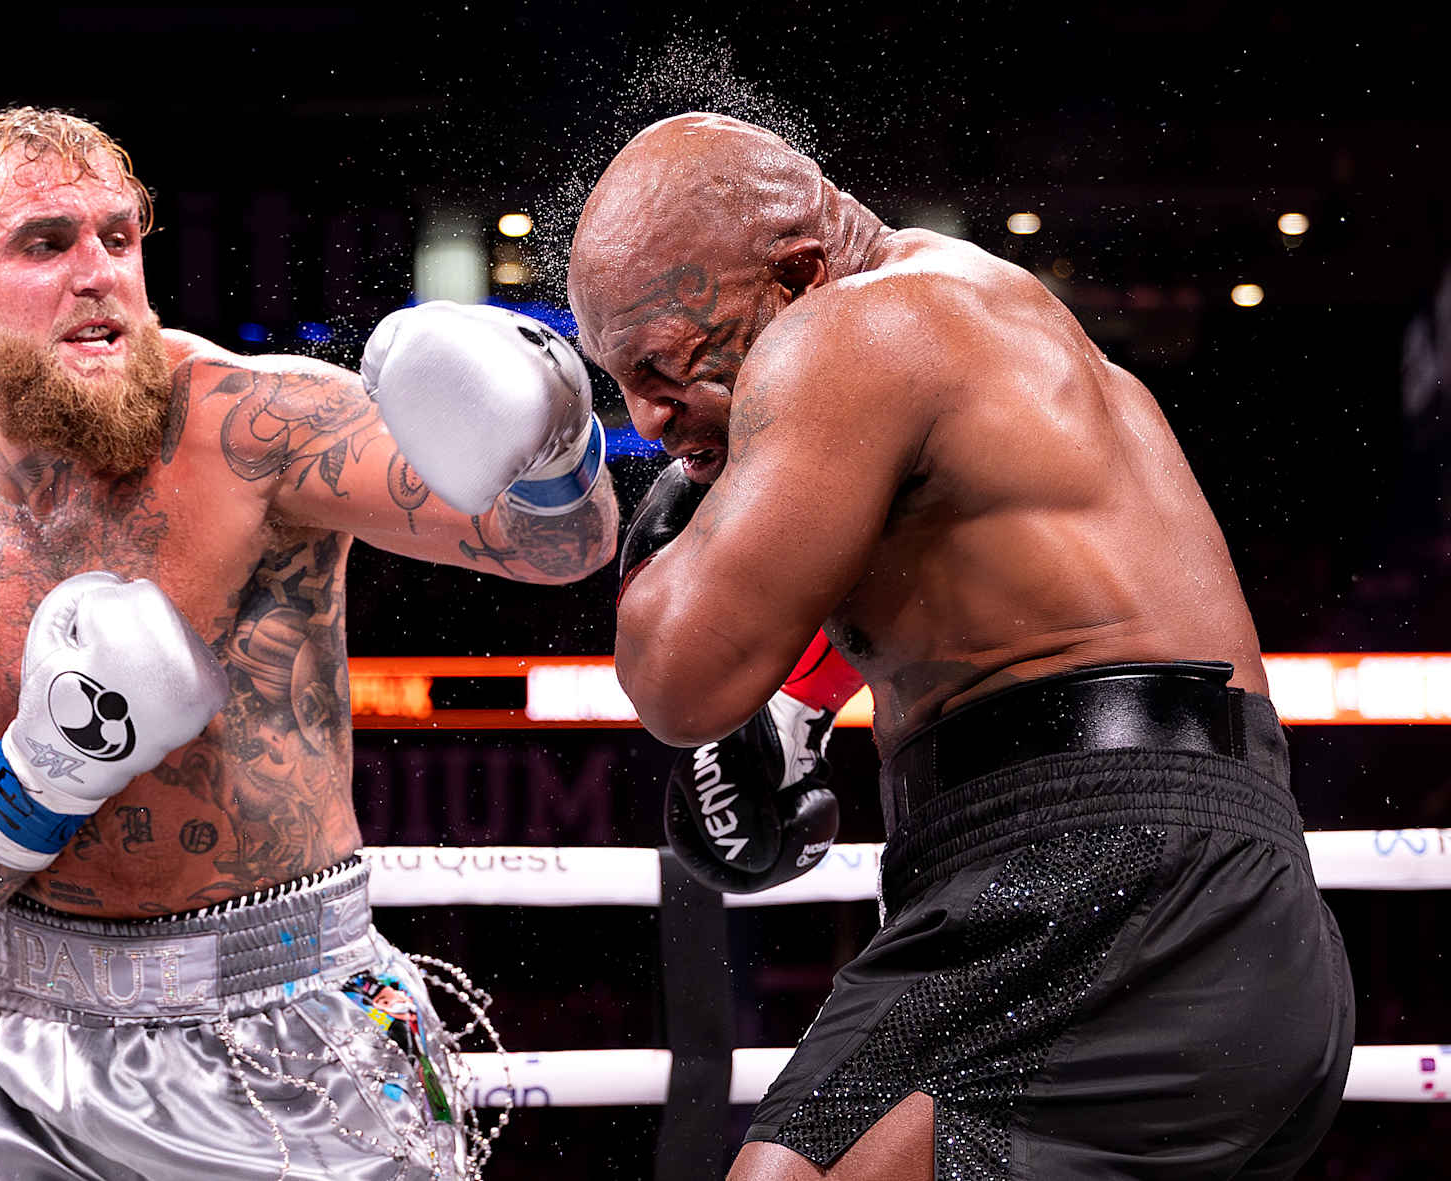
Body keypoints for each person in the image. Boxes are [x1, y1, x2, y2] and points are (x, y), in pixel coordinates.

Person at [0, 106, 617, 1181]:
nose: (97, 271)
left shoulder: (260, 426)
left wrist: (551, 425)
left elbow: (560, 546)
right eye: (46, 242)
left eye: (118, 236)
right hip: (21, 1068)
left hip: (298, 1035)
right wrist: (42, 771)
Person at [575, 113, 1353, 1181]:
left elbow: (680, 680)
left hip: (1098, 882)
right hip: (1225, 904)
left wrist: (662, 541)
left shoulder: (851, 327)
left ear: (797, 273)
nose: (649, 419)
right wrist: (795, 719)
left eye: (665, 369)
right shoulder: (976, 320)